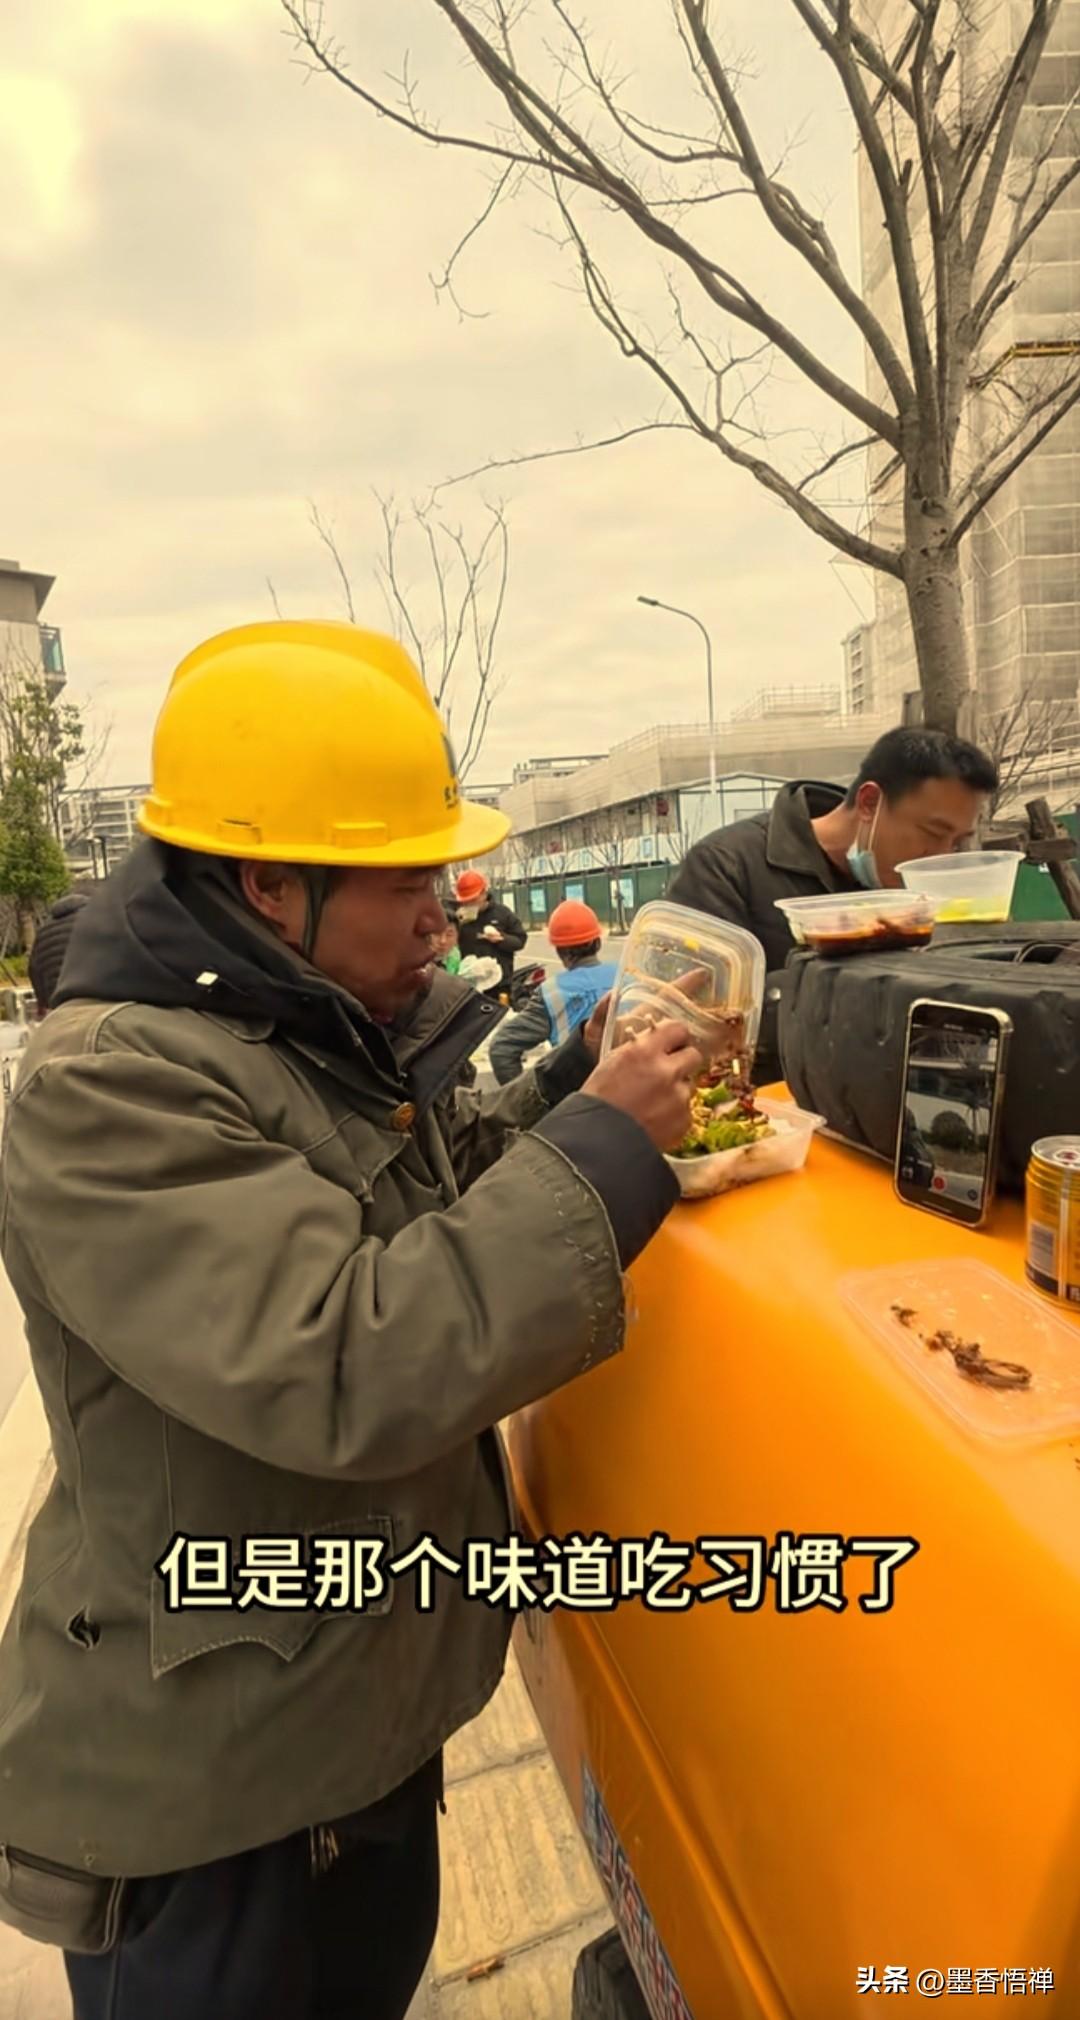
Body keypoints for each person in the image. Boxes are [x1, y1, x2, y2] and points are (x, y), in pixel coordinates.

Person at [0, 619, 702, 2020]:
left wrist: (577, 1082)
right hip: (214, 1799)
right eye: (407, 882)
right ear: (270, 884)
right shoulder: (111, 1088)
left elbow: (432, 1197)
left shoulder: (299, 1025)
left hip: (345, 1729)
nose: (446, 914)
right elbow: (348, 1358)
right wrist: (602, 1156)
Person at [668, 726, 999, 1084]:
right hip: (770, 1101)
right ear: (869, 803)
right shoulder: (725, 866)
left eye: (957, 842)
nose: (939, 857)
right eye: (933, 834)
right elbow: (698, 1019)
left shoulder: (916, 898)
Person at [490, 900, 618, 1086]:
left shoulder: (550, 992)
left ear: (558, 950)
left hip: (579, 1095)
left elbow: (501, 1047)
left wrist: (526, 1098)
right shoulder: (626, 977)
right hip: (634, 1091)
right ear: (597, 942)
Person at [449, 869, 527, 996]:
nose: (469, 904)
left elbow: (520, 940)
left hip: (500, 985)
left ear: (484, 894)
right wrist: (455, 926)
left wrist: (501, 939)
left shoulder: (502, 913)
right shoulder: (458, 917)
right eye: (465, 901)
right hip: (469, 986)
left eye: (473, 900)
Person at [27, 883, 95, 1015]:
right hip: (94, 996)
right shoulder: (99, 920)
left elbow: (34, 970)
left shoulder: (43, 930)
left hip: (58, 1001)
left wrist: (43, 1002)